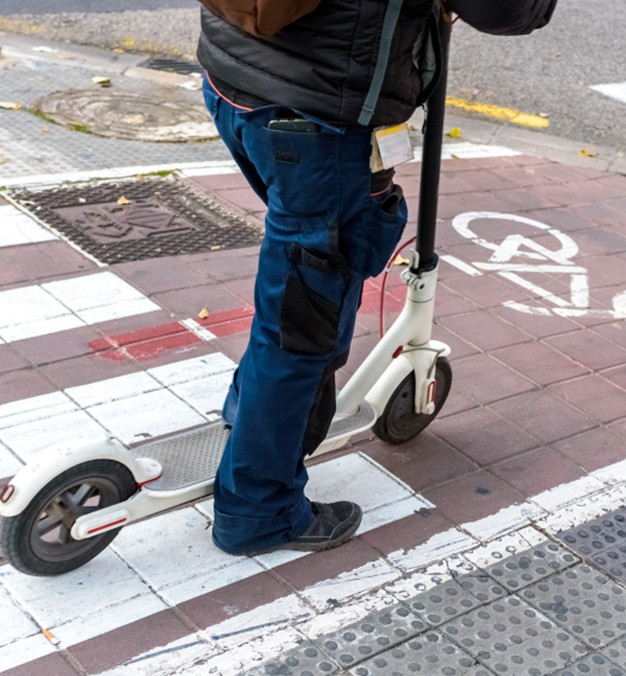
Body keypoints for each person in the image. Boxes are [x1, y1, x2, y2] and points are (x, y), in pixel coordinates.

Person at [197, 0, 559, 556]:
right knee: (302, 323)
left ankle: (249, 416)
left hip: (235, 79)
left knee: (292, 287)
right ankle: (258, 509)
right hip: (318, 119)